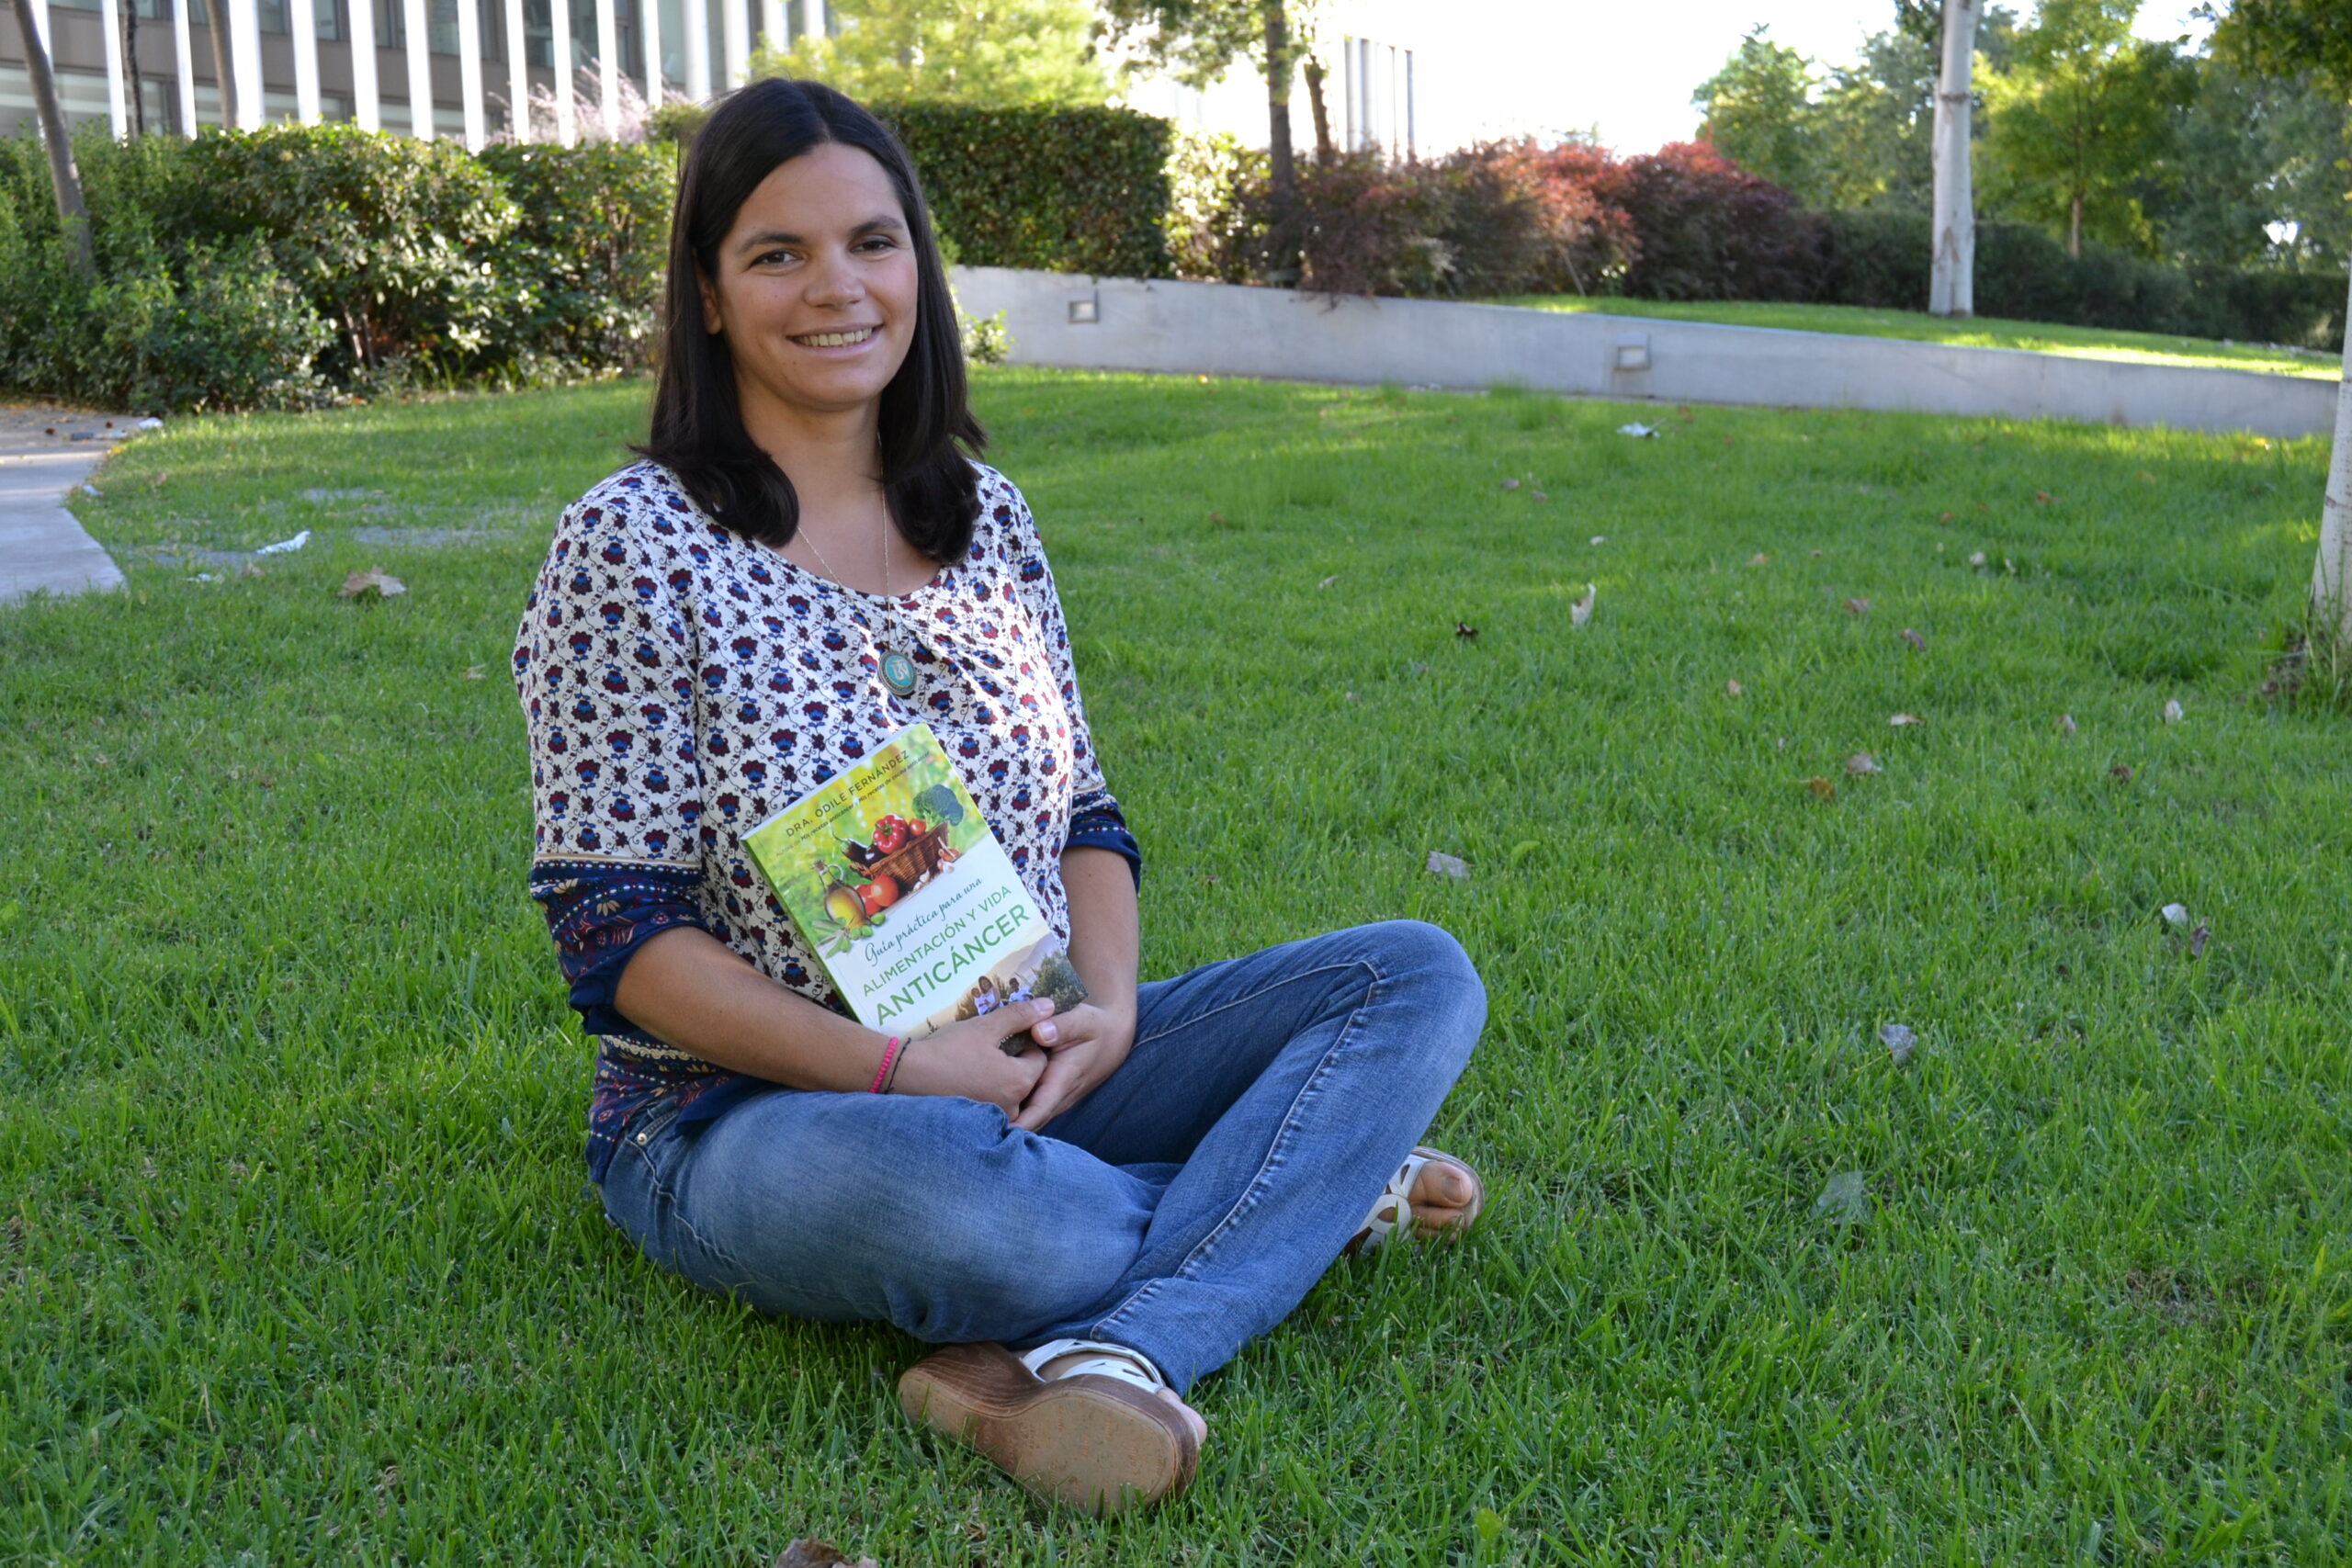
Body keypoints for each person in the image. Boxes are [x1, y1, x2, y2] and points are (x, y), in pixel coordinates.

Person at [512, 76, 1489, 1513]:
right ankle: (1307, 1191)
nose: (836, 287)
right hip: (760, 1119)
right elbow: (622, 946)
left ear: (920, 267)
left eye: (872, 242)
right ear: (710, 296)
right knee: (964, 1207)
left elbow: (1088, 814)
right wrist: (911, 1073)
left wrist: (1112, 1010)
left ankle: (1113, 1346)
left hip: (1039, 1053)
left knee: (1412, 975)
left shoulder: (982, 515)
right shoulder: (634, 543)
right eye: (777, 254)